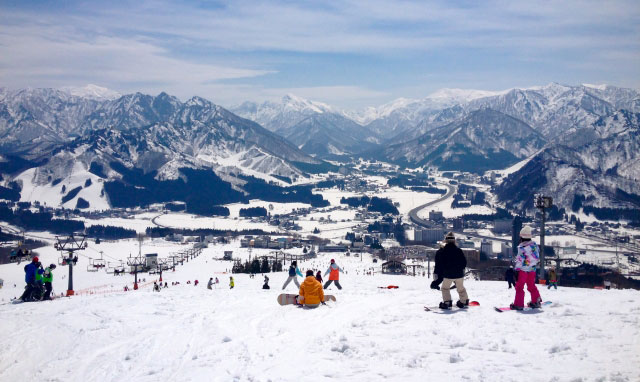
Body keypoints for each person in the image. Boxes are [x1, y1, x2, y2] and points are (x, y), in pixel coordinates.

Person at [434, 232, 469, 309]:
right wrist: (460, 269)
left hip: (448, 275)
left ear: (445, 240)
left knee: (445, 288)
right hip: (459, 274)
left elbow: (439, 265)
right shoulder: (459, 250)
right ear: (454, 241)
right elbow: (464, 262)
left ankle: (447, 302)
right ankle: (464, 301)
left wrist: (437, 278)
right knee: (461, 288)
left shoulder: (442, 251)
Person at [511, 226, 542, 310]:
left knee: (519, 287)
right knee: (531, 285)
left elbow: (520, 260)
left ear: (522, 237)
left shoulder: (522, 248)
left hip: (523, 271)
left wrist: (516, 270)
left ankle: (518, 304)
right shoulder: (535, 246)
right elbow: (536, 258)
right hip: (532, 270)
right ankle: (536, 301)